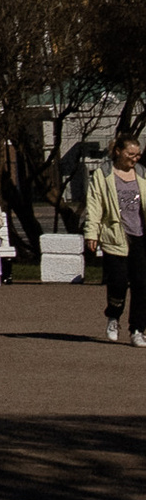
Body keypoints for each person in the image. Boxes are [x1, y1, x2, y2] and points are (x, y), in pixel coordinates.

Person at [85, 126, 144, 344]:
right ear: (118, 151)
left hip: (140, 236)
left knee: (141, 284)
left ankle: (137, 329)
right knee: (118, 282)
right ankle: (113, 315)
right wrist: (92, 233)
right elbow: (94, 205)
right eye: (131, 154)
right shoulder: (103, 175)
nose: (134, 159)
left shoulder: (142, 174)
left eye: (137, 155)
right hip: (114, 236)